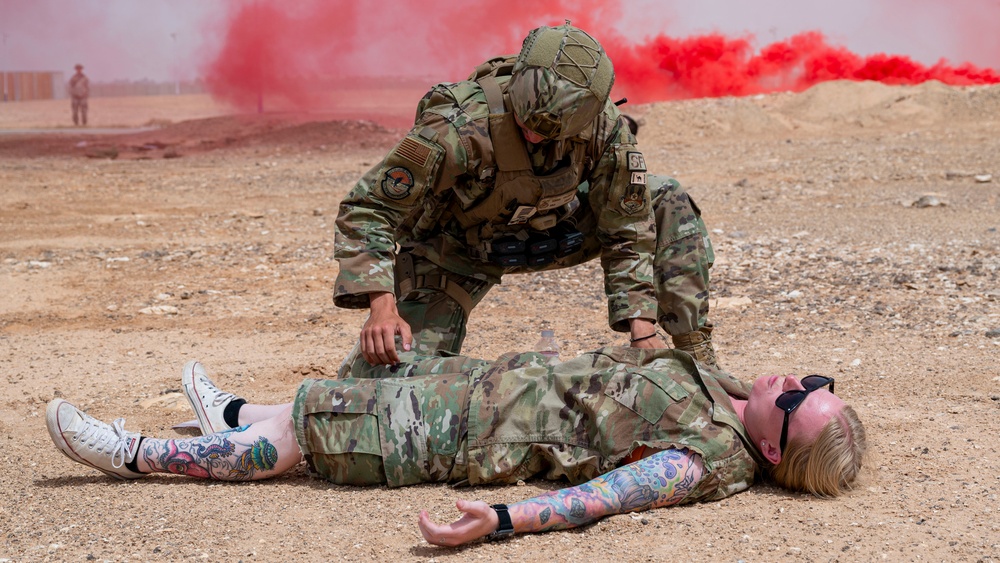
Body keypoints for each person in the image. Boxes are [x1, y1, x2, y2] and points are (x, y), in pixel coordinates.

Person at [47, 350, 866, 547]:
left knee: (304, 438)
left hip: (465, 431)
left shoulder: (706, 458)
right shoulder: (730, 391)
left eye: (800, 399)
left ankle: (136, 452)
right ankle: (228, 412)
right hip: (479, 384)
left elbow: (605, 497)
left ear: (770, 449)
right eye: (814, 380)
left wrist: (503, 518)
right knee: (324, 399)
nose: (795, 380)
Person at [333, 22, 719, 374]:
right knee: (380, 378)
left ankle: (696, 358)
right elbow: (369, 209)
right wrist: (382, 306)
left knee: (665, 196)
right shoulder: (459, 125)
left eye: (549, 131)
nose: (534, 135)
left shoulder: (602, 126)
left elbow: (627, 229)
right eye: (526, 122)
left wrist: (642, 330)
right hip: (457, 254)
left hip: (558, 231)